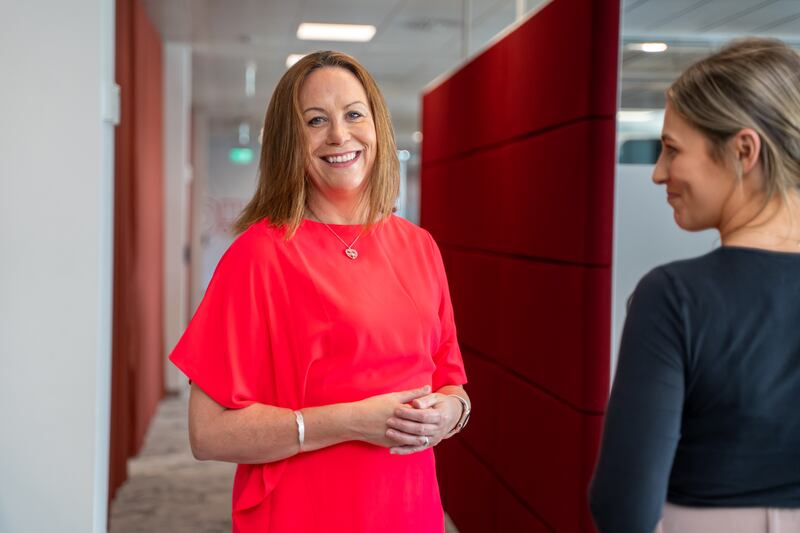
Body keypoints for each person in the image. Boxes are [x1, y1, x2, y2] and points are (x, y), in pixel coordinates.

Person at [169, 51, 470, 533]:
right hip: (303, 513)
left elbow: (450, 381)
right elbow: (208, 433)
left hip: (408, 509)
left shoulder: (420, 247)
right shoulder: (259, 256)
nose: (339, 135)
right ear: (291, 141)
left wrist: (451, 412)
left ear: (377, 127)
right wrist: (351, 421)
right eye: (315, 120)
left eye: (354, 114)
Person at [589, 38, 800, 533]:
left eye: (672, 149)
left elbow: (624, 508)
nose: (659, 173)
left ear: (743, 150)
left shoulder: (675, 297)